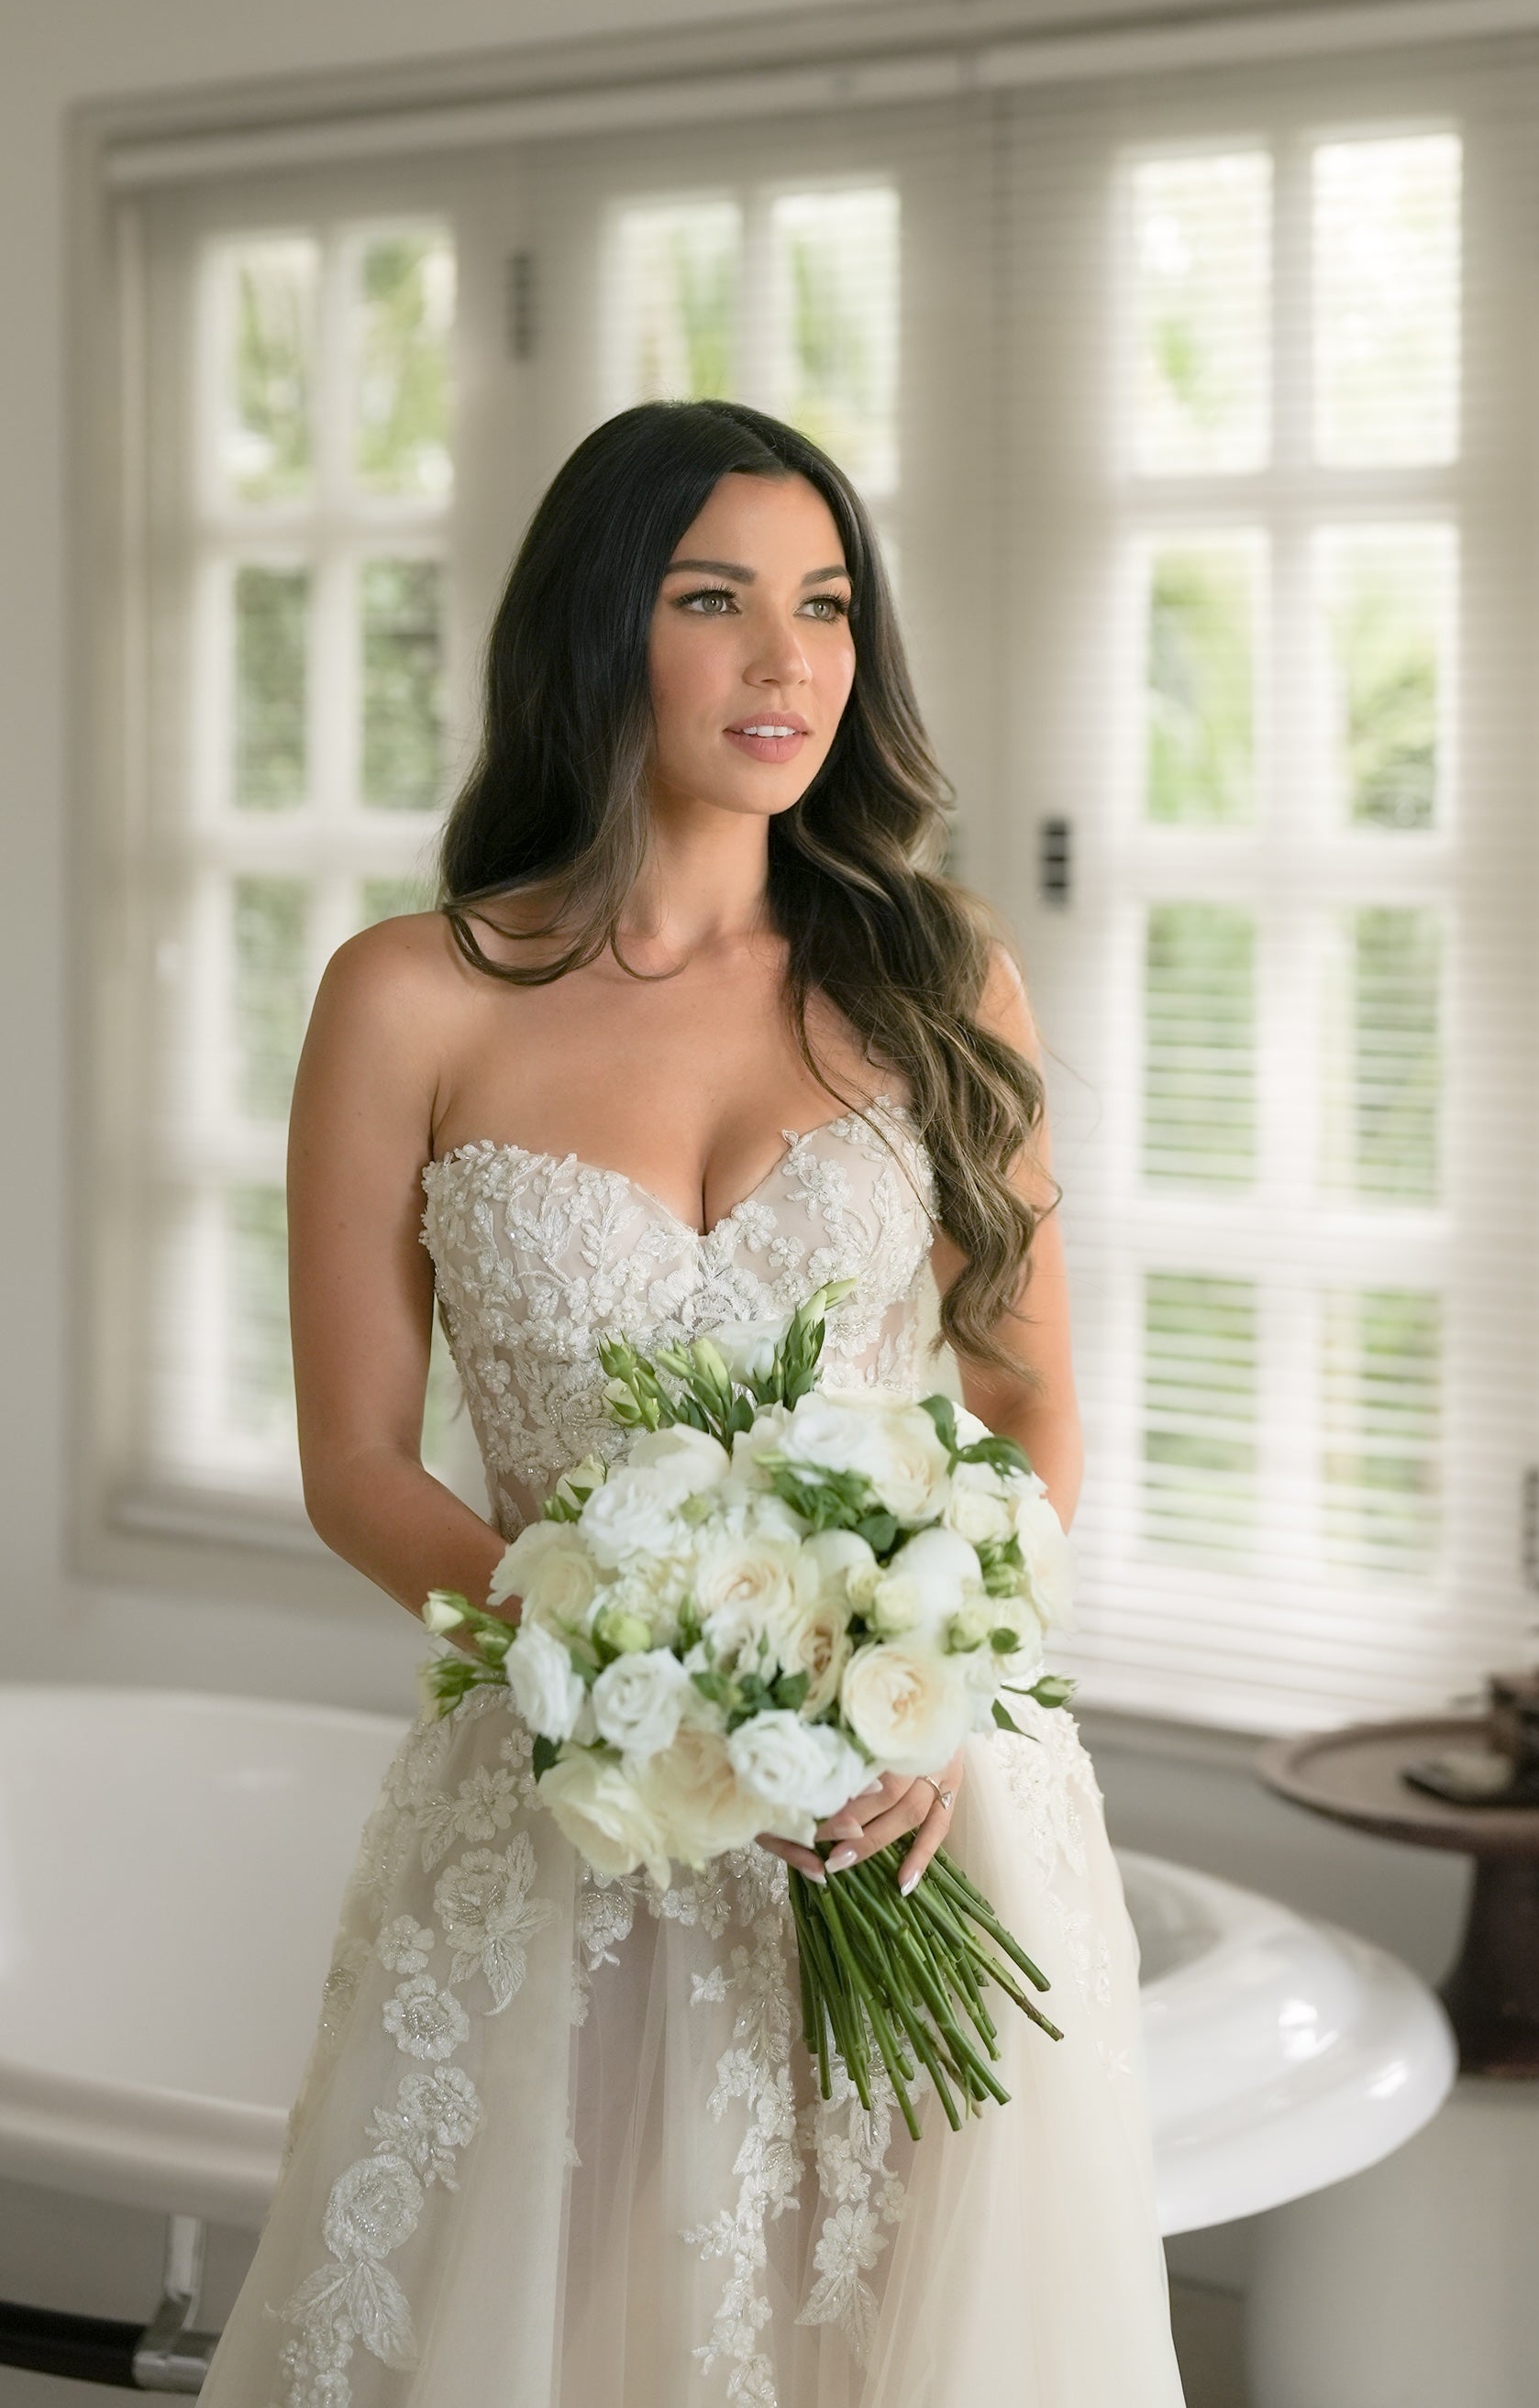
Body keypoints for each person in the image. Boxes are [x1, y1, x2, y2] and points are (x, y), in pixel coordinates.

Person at [196, 399, 1186, 2406]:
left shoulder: (936, 974)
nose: (786, 660)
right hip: (579, 1816)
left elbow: (1029, 1407)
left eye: (824, 605)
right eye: (712, 599)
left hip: (921, 1816)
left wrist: (941, 1698)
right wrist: (624, 1655)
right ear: (595, 631)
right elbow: (357, 1466)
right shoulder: (413, 998)